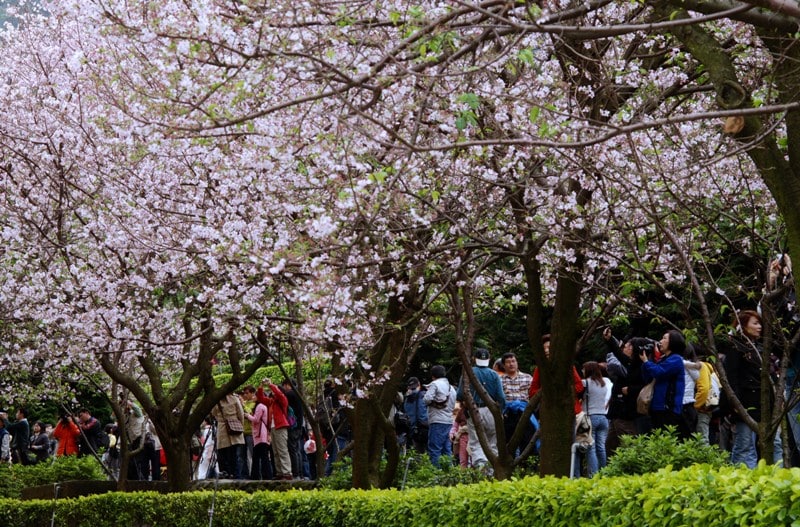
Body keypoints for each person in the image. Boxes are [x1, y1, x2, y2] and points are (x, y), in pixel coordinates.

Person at [722, 310, 782, 467]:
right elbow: (732, 377)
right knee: (745, 445)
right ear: (743, 326)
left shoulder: (762, 348)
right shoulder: (736, 348)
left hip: (765, 403)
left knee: (775, 443)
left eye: (759, 323)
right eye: (755, 323)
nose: (760, 327)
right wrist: (736, 404)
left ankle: (779, 480)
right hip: (746, 402)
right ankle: (744, 484)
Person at [456, 347, 506, 475]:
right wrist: (501, 411)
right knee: (492, 442)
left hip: (474, 410)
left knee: (476, 441)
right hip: (491, 411)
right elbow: (501, 397)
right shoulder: (494, 374)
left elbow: (460, 394)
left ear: (474, 359)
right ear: (489, 359)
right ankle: (492, 469)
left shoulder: (468, 373)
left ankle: (482, 469)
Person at [603, 330, 648, 454]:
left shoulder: (643, 366)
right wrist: (610, 339)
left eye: (629, 346)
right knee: (611, 446)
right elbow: (617, 353)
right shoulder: (630, 364)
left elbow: (647, 385)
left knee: (629, 444)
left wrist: (631, 390)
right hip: (617, 412)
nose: (625, 348)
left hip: (627, 412)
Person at [640, 330, 687, 435]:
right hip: (657, 407)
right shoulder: (663, 360)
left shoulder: (676, 359)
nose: (660, 341)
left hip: (668, 409)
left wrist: (647, 362)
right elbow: (648, 378)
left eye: (664, 338)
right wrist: (647, 360)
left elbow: (659, 372)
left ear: (673, 342)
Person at [580, 362, 612, 477]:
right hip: (603, 417)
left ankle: (593, 475)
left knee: (591, 448)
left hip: (590, 417)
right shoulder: (603, 384)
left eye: (583, 369)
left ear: (588, 370)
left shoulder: (585, 383)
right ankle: (604, 472)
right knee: (601, 447)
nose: (582, 371)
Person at [257, 379, 292, 480]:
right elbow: (261, 398)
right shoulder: (271, 402)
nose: (272, 393)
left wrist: (271, 385)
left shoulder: (283, 400)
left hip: (280, 426)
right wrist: (261, 386)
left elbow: (280, 395)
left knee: (282, 450)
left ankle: (287, 472)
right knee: (275, 451)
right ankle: (280, 472)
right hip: (273, 427)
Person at [500, 352, 534, 456]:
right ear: (504, 365)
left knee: (526, 439)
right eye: (508, 362)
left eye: (513, 361)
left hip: (524, 412)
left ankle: (526, 465)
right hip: (508, 413)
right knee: (509, 441)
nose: (511, 364)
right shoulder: (500, 380)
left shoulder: (527, 377)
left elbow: (533, 395)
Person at [423, 365, 456, 467]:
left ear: (433, 376)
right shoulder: (452, 388)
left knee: (435, 448)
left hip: (437, 420)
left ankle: (436, 473)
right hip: (449, 420)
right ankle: (449, 472)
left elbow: (426, 399)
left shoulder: (435, 384)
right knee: (447, 449)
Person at [211, 391, 246, 479]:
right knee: (234, 455)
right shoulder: (235, 399)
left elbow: (213, 413)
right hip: (234, 426)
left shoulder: (217, 401)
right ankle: (236, 475)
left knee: (223, 454)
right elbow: (241, 413)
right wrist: (240, 426)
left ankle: (226, 473)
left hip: (222, 428)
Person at [244, 389, 272, 480]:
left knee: (261, 456)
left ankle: (261, 475)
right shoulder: (261, 406)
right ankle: (262, 475)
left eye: (255, 396)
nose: (253, 397)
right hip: (260, 434)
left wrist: (247, 416)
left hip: (260, 434)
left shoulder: (260, 406)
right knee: (259, 456)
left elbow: (256, 419)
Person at [281, 379, 306, 479]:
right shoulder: (298, 394)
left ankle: (295, 473)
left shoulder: (290, 394)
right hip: (299, 426)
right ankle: (300, 473)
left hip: (293, 426)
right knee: (297, 450)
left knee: (293, 450)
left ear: (287, 385)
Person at [404, 377, 428, 453]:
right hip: (424, 427)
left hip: (412, 428)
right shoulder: (423, 395)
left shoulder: (407, 398)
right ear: (419, 385)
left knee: (415, 452)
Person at [240, 386, 257, 475]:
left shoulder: (254, 403)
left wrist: (243, 405)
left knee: (253, 454)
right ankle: (245, 474)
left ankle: (255, 473)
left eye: (247, 393)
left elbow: (250, 413)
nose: (245, 395)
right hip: (243, 432)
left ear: (252, 393)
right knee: (242, 456)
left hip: (251, 432)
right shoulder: (244, 402)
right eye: (244, 393)